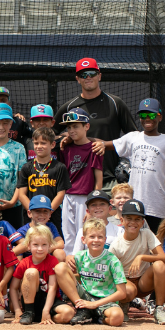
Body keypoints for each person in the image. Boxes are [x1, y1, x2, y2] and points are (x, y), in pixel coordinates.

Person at [55, 58, 137, 194]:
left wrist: (106, 144)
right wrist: (67, 136)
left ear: (99, 76)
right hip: (78, 181)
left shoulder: (115, 103)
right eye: (83, 75)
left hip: (110, 179)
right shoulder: (70, 107)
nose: (88, 77)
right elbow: (51, 135)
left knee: (110, 216)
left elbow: (133, 137)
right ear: (77, 79)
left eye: (92, 73)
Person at [104, 98, 165, 233]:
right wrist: (77, 138)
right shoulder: (133, 137)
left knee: (158, 243)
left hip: (157, 205)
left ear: (160, 117)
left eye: (151, 115)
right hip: (134, 204)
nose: (147, 119)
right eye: (143, 115)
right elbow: (105, 144)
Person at [107, 199, 165, 325]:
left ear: (142, 222)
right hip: (126, 282)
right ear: (122, 221)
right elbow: (110, 274)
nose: (133, 222)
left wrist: (141, 257)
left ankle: (159, 308)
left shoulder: (146, 233)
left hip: (143, 281)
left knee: (159, 265)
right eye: (129, 218)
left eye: (137, 219)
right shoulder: (115, 245)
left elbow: (163, 257)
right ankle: (123, 304)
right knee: (128, 291)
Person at [58, 219, 126, 326]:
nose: (96, 240)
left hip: (104, 300)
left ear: (105, 239)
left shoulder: (113, 261)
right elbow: (69, 276)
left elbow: (122, 293)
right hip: (84, 297)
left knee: (117, 318)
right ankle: (82, 310)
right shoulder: (79, 257)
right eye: (92, 237)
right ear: (83, 239)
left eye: (100, 237)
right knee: (60, 267)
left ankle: (97, 317)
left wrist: (95, 304)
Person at [54, 109, 103, 254]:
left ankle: (86, 269)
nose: (71, 130)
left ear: (86, 126)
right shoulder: (65, 148)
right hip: (67, 196)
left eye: (75, 126)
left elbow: (98, 180)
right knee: (68, 235)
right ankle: (70, 270)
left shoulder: (95, 148)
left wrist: (92, 204)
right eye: (69, 127)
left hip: (85, 197)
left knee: (85, 233)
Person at [11, 225, 74, 325]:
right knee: (31, 272)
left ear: (49, 245)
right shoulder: (24, 262)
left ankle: (42, 317)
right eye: (35, 245)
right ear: (28, 246)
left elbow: (52, 287)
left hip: (49, 299)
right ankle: (29, 312)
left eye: (44, 245)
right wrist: (17, 310)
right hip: (30, 301)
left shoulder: (52, 260)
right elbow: (13, 288)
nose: (40, 248)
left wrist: (46, 310)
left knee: (68, 313)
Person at [14, 128, 69, 231]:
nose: (39, 146)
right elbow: (21, 194)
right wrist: (33, 213)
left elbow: (61, 194)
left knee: (53, 244)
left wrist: (47, 213)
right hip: (31, 219)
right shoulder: (26, 167)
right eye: (36, 143)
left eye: (43, 143)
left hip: (52, 217)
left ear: (52, 145)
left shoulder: (60, 167)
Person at [10, 195, 65, 260]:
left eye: (45, 211)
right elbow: (15, 253)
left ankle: (58, 270)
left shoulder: (50, 226)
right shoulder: (22, 231)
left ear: (50, 214)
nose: (42, 214)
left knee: (60, 253)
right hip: (28, 265)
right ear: (29, 213)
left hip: (47, 263)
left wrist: (46, 249)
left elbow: (61, 243)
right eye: (37, 211)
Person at [66, 190, 122, 254]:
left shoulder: (118, 231)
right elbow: (76, 255)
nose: (98, 207)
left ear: (110, 208)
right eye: (93, 205)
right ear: (88, 211)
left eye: (102, 204)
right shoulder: (82, 231)